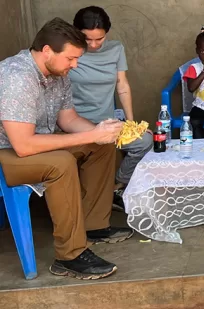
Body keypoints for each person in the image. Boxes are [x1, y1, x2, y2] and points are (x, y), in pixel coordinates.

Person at [0, 18, 133, 279]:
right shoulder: (17, 77)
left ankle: (93, 226)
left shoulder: (58, 74)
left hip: (35, 144)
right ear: (48, 50)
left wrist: (102, 132)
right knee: (60, 162)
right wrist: (92, 133)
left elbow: (68, 120)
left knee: (101, 145)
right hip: (7, 152)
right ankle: (69, 256)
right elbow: (24, 145)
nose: (75, 65)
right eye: (71, 58)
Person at [69, 6, 150, 211]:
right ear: (76, 32)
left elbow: (122, 86)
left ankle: (115, 186)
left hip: (107, 124)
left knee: (145, 141)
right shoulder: (68, 52)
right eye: (87, 39)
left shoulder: (116, 49)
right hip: (74, 125)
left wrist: (132, 124)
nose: (94, 45)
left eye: (100, 39)